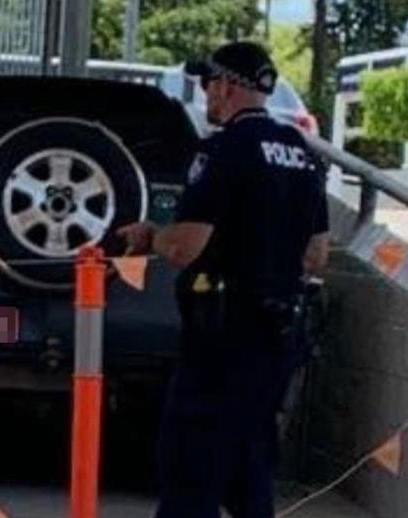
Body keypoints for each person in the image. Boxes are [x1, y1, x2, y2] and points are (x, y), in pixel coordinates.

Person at [118, 41, 329, 518]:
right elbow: (316, 256)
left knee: (191, 463)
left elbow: (183, 247)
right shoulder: (300, 152)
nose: (206, 95)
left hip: (222, 335)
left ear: (229, 86)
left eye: (209, 84)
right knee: (251, 464)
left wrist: (152, 236)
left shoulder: (221, 150)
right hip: (278, 333)